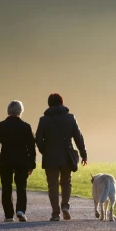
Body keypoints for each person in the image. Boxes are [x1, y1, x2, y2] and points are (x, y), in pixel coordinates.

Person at [35, 93, 87, 221]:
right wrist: (83, 154)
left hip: (50, 157)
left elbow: (38, 139)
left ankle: (55, 213)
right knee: (66, 181)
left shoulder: (44, 120)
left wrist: (44, 151)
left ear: (49, 104)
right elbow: (78, 137)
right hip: (66, 156)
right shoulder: (70, 118)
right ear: (62, 103)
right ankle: (65, 206)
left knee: (52, 185)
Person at [0, 100, 36, 222]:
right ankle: (21, 211)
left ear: (8, 111)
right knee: (21, 186)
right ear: (20, 111)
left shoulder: (0, 126)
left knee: (6, 188)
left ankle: (8, 215)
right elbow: (31, 148)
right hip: (22, 161)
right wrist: (31, 164)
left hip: (5, 161)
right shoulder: (26, 127)